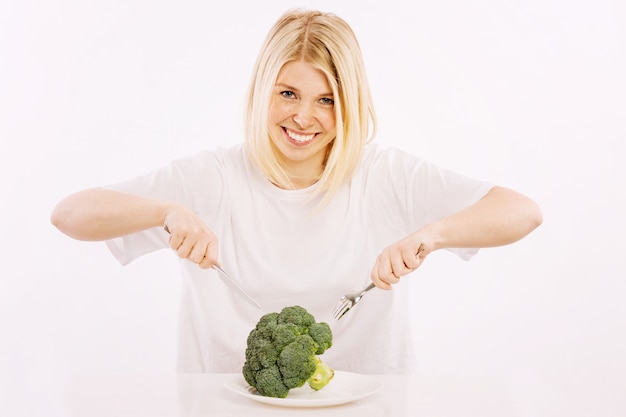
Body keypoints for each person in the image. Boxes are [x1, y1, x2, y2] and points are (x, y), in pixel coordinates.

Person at [51, 9, 542, 374]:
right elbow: (70, 214)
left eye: (327, 100)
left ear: (350, 104)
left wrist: (433, 234)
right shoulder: (211, 177)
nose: (304, 118)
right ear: (262, 91)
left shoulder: (385, 176)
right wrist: (166, 212)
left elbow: (521, 212)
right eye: (288, 93)